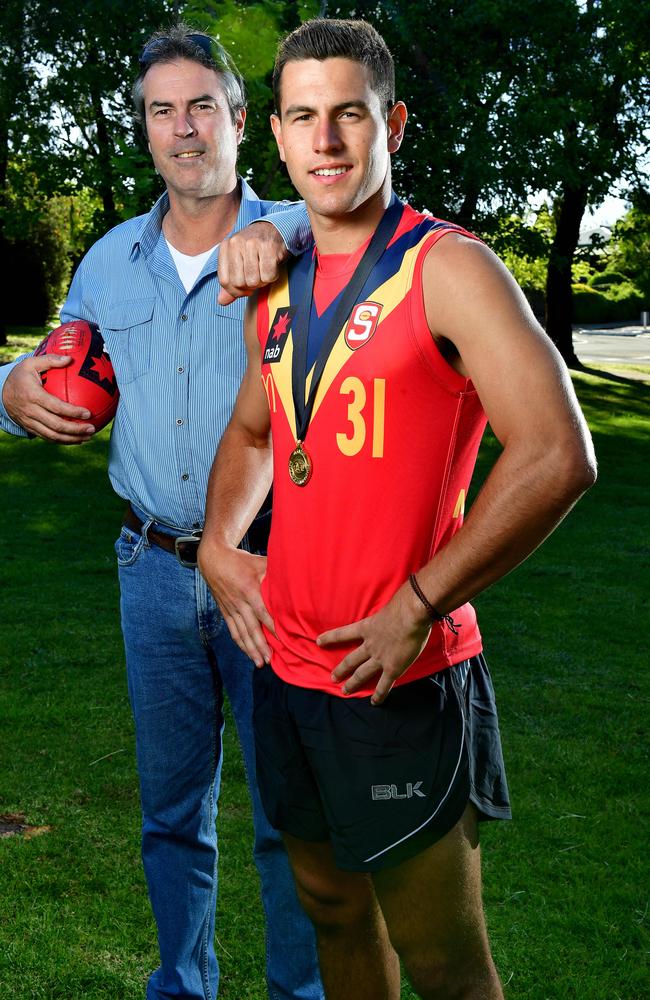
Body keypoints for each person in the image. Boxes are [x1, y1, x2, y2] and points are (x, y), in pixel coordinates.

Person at [197, 17, 597, 1000]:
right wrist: (216, 543)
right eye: (302, 117)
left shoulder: (448, 269)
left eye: (348, 114)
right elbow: (254, 432)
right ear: (277, 138)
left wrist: (420, 597)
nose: (324, 140)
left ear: (393, 124)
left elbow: (556, 452)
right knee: (331, 913)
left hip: (397, 674)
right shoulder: (277, 283)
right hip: (287, 667)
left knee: (442, 960)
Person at [0, 23, 323, 1000]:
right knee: (171, 810)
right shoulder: (105, 262)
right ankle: (181, 984)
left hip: (274, 569)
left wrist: (294, 232)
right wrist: (11, 382)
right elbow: (65, 362)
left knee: (289, 815)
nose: (183, 129)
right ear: (144, 131)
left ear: (238, 123)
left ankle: (298, 993)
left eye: (201, 107)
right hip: (149, 571)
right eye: (161, 111)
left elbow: (381, 236)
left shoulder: (308, 239)